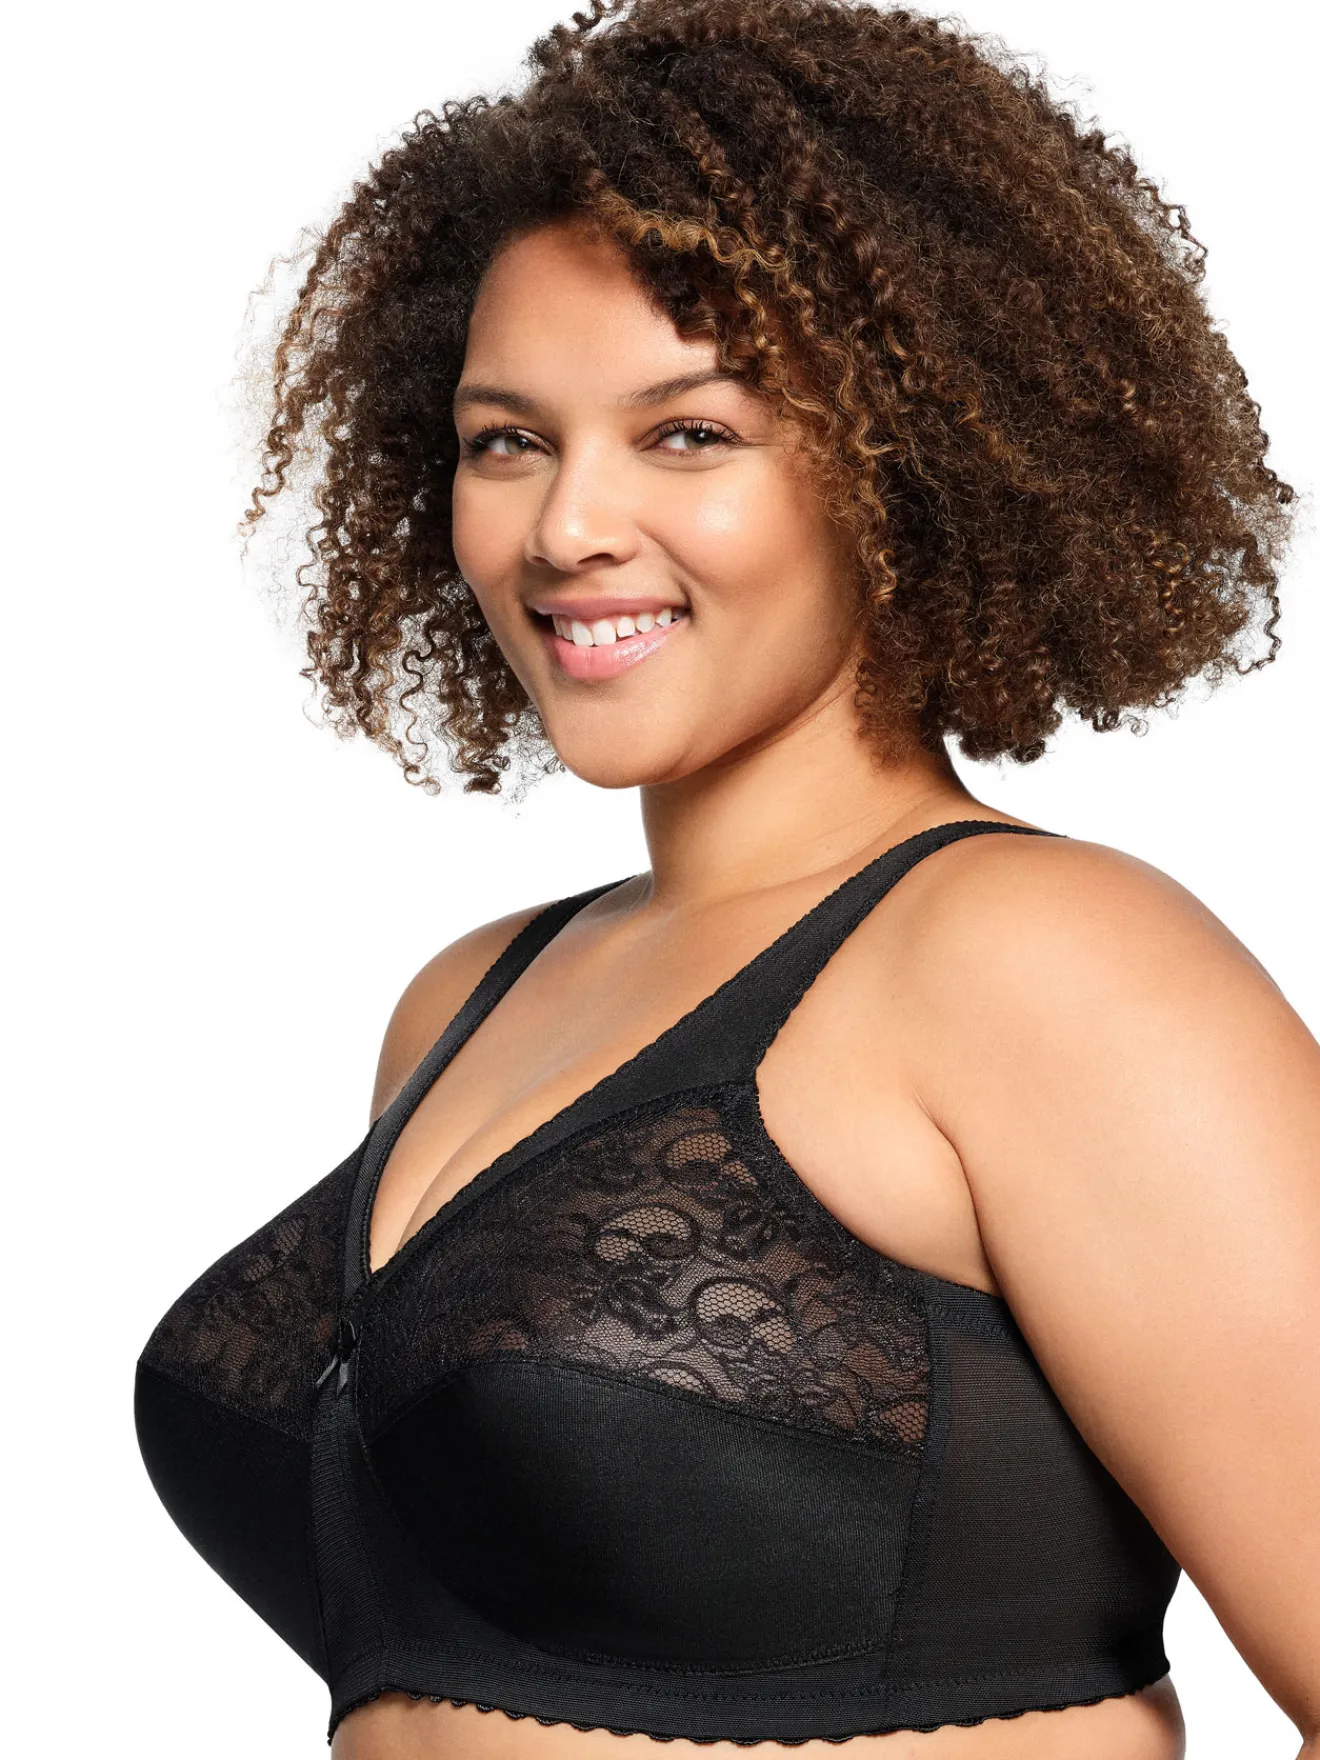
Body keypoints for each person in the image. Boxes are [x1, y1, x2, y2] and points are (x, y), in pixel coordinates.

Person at [134, 2, 1317, 1757]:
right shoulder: (466, 1002)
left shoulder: (1044, 961)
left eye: (689, 435)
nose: (566, 528)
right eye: (506, 440)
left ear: (906, 459)